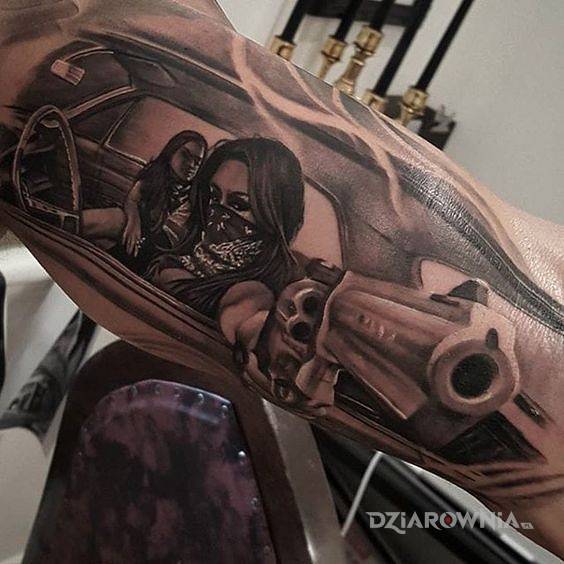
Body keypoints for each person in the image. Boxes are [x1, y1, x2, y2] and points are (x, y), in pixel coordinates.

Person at [148, 137, 305, 317]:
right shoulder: (179, 253)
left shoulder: (267, 298)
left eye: (238, 204)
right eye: (214, 196)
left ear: (274, 217)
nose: (218, 211)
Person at [82, 130, 208, 273]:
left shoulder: (195, 198)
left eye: (197, 162)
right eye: (185, 155)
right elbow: (132, 199)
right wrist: (134, 222)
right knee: (116, 219)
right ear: (172, 151)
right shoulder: (155, 175)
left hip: (160, 255)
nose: (191, 165)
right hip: (136, 240)